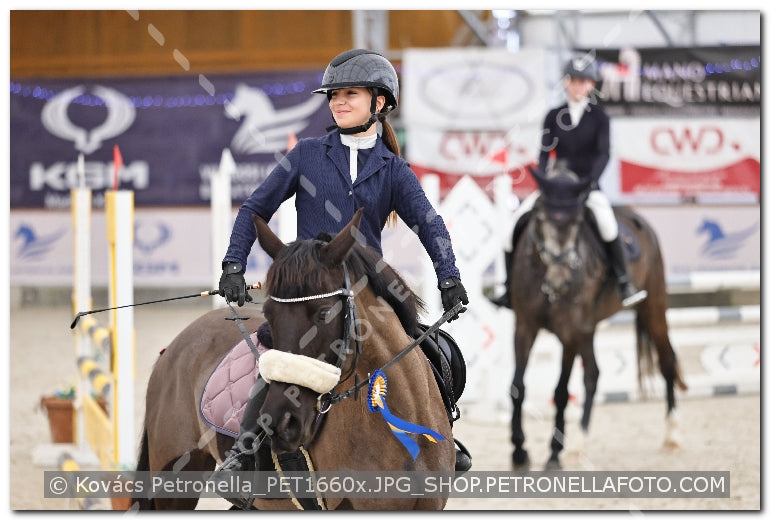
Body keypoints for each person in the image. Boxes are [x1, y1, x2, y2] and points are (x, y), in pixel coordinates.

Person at [215, 49, 471, 485]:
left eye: (349, 94)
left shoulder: (393, 169)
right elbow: (254, 208)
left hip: (368, 283)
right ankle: (246, 449)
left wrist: (449, 275)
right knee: (275, 350)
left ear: (380, 102)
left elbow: (429, 222)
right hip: (312, 283)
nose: (337, 102)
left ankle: (444, 432)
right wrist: (233, 264)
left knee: (435, 348)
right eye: (333, 95)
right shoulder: (307, 155)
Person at [490, 56, 647, 309]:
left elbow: (603, 154)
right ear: (566, 82)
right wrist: (543, 180)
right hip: (556, 188)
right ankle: (509, 290)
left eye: (583, 81)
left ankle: (623, 282)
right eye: (573, 80)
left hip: (586, 186)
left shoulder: (599, 118)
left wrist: (589, 182)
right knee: (512, 228)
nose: (577, 86)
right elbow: (544, 152)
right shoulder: (554, 116)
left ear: (591, 85)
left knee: (608, 224)